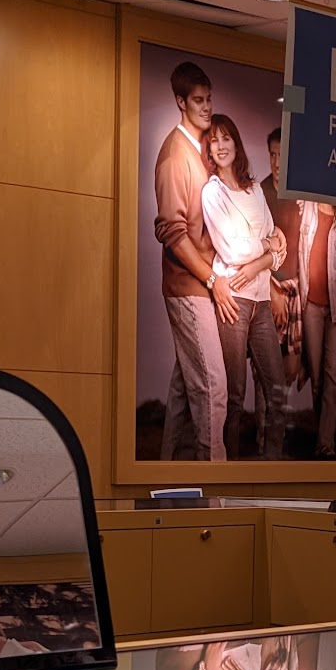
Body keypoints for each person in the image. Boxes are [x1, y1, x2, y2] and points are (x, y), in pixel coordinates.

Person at [153, 62, 233, 461]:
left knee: (185, 388)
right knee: (213, 387)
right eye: (198, 100)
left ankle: (163, 470)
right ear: (180, 102)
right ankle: (213, 483)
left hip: (205, 283)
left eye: (209, 99)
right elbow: (173, 232)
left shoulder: (203, 150)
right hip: (189, 287)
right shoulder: (175, 156)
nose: (206, 107)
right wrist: (212, 280)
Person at [200, 114, 289, 460]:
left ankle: (272, 466)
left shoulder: (254, 190)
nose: (221, 146)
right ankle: (230, 473)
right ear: (209, 150)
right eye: (214, 141)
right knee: (234, 395)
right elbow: (234, 252)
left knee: (277, 391)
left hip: (262, 302)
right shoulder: (213, 192)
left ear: (236, 144)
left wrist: (258, 262)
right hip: (234, 303)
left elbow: (280, 250)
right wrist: (266, 249)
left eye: (226, 139)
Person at [296, 200, 336, 457]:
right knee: (317, 377)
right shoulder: (306, 208)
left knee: (332, 376)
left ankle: (325, 443)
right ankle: (322, 436)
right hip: (310, 306)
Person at [262, 129, 307, 454]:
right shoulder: (260, 192)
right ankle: (264, 443)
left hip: (295, 290)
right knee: (263, 371)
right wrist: (270, 289)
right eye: (273, 155)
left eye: (283, 155)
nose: (277, 162)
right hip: (265, 290)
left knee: (289, 371)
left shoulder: (301, 194)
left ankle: (276, 444)